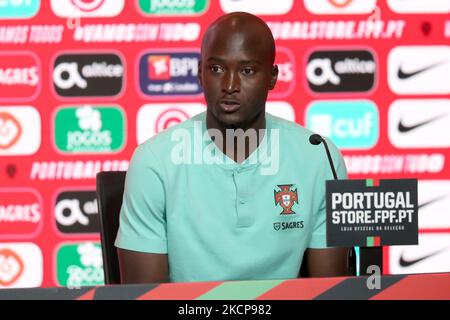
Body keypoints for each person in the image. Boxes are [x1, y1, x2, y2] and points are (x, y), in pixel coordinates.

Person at [114, 12, 351, 284]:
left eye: (247, 70)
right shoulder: (154, 161)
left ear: (272, 77)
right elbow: (145, 296)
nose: (230, 85)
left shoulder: (319, 157)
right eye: (216, 69)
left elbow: (331, 290)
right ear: (200, 73)